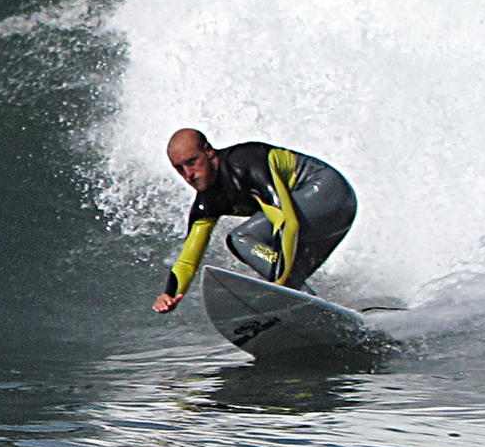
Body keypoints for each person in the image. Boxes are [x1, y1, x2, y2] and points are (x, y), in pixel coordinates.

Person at [151, 128, 357, 313]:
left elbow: (286, 223)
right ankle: (317, 313)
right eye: (179, 168)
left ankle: (301, 299)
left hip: (328, 192)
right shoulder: (206, 203)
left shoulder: (246, 163)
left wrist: (279, 284)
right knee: (286, 274)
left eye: (191, 161)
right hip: (329, 217)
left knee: (241, 238)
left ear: (208, 150)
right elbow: (188, 260)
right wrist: (169, 294)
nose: (188, 174)